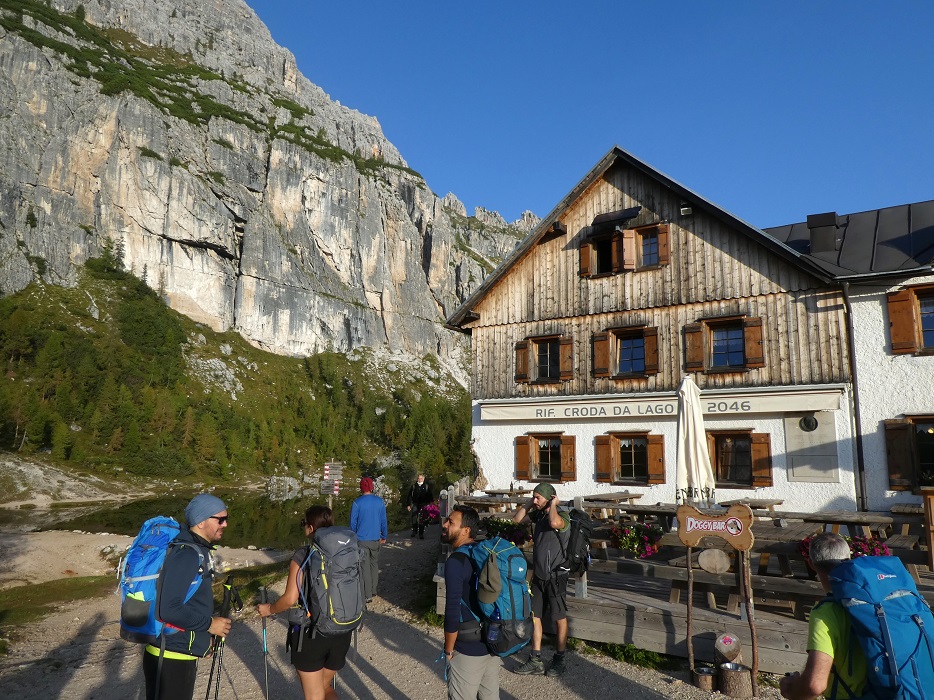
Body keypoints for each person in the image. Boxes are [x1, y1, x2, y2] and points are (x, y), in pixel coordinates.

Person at [257, 505, 353, 700]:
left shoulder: (303, 554)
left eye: (304, 524)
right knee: (325, 687)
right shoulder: (346, 552)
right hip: (342, 630)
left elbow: (290, 599)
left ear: (310, 527)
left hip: (312, 634)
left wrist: (269, 609)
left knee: (314, 695)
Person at [144, 493, 232, 700]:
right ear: (201, 522)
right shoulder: (187, 555)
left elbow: (191, 601)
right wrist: (209, 625)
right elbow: (169, 609)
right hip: (170, 655)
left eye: (226, 518)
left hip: (177, 650)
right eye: (220, 519)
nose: (225, 524)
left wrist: (202, 639)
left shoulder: (195, 550)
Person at [780, 533, 867, 700]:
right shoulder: (878, 599)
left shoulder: (826, 611)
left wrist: (793, 691)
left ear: (811, 564)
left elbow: (815, 685)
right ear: (849, 558)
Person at [510, 482, 570, 677]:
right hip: (539, 575)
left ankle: (560, 659)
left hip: (556, 576)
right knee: (535, 616)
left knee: (559, 618)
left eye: (538, 497)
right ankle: (535, 658)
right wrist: (529, 503)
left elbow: (555, 524)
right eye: (534, 496)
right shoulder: (538, 514)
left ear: (550, 498)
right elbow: (516, 520)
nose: (535, 500)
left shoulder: (563, 516)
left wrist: (553, 504)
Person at [442, 505, 502, 699]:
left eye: (451, 522)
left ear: (466, 530)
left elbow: (452, 610)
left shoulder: (455, 561)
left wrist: (449, 650)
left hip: (468, 647)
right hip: (492, 639)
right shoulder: (484, 554)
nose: (445, 525)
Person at [350, 476, 387, 602]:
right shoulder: (380, 501)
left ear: (361, 488)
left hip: (362, 540)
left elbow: (352, 523)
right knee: (374, 564)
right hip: (376, 539)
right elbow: (383, 521)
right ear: (372, 487)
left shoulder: (356, 502)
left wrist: (353, 536)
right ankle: (374, 590)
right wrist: (384, 536)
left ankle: (367, 594)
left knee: (364, 566)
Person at [406, 473, 433, 539]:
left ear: (423, 479)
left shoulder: (426, 486)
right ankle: (414, 530)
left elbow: (430, 496)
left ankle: (421, 533)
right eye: (418, 478)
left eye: (421, 478)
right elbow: (409, 496)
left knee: (422, 518)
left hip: (423, 504)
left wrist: (430, 504)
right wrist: (408, 504)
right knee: (414, 517)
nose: (419, 479)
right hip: (415, 504)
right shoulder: (414, 486)